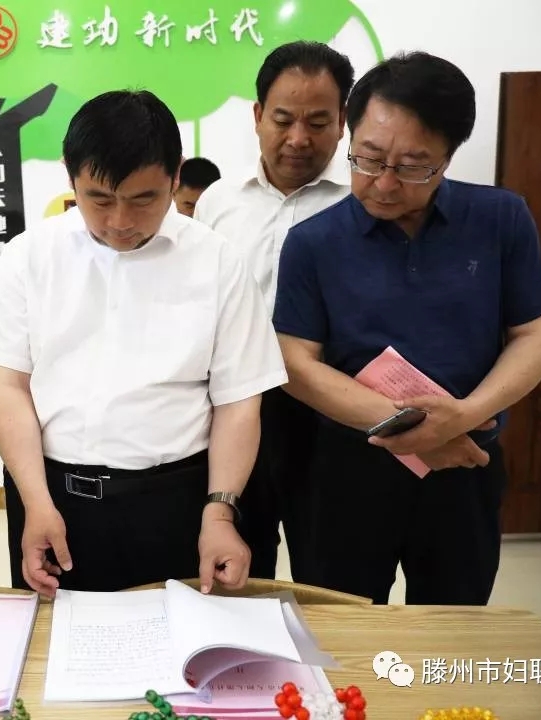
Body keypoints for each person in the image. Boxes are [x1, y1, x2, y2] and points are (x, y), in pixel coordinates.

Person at [0, 90, 287, 597]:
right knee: (56, 639)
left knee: (180, 640)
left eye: (143, 200)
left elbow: (238, 400)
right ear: (70, 175)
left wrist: (220, 512)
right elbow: (8, 386)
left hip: (179, 501)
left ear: (175, 176)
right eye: (99, 199)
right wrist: (35, 501)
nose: (120, 221)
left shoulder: (217, 261)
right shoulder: (30, 256)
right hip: (53, 498)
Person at [273, 52, 541, 605]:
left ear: (448, 156)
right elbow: (295, 363)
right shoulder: (313, 242)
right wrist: (413, 431)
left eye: (412, 166)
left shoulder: (500, 219)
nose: (383, 183)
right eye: (368, 158)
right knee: (344, 624)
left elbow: (537, 336)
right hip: (349, 469)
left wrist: (463, 417)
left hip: (465, 459)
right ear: (349, 135)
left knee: (453, 625)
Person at [193, 41, 355, 583]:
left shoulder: (360, 203)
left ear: (343, 121)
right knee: (240, 561)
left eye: (318, 122)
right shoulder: (219, 202)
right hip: (239, 409)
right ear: (258, 115)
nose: (298, 138)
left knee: (329, 565)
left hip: (331, 413)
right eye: (283, 119)